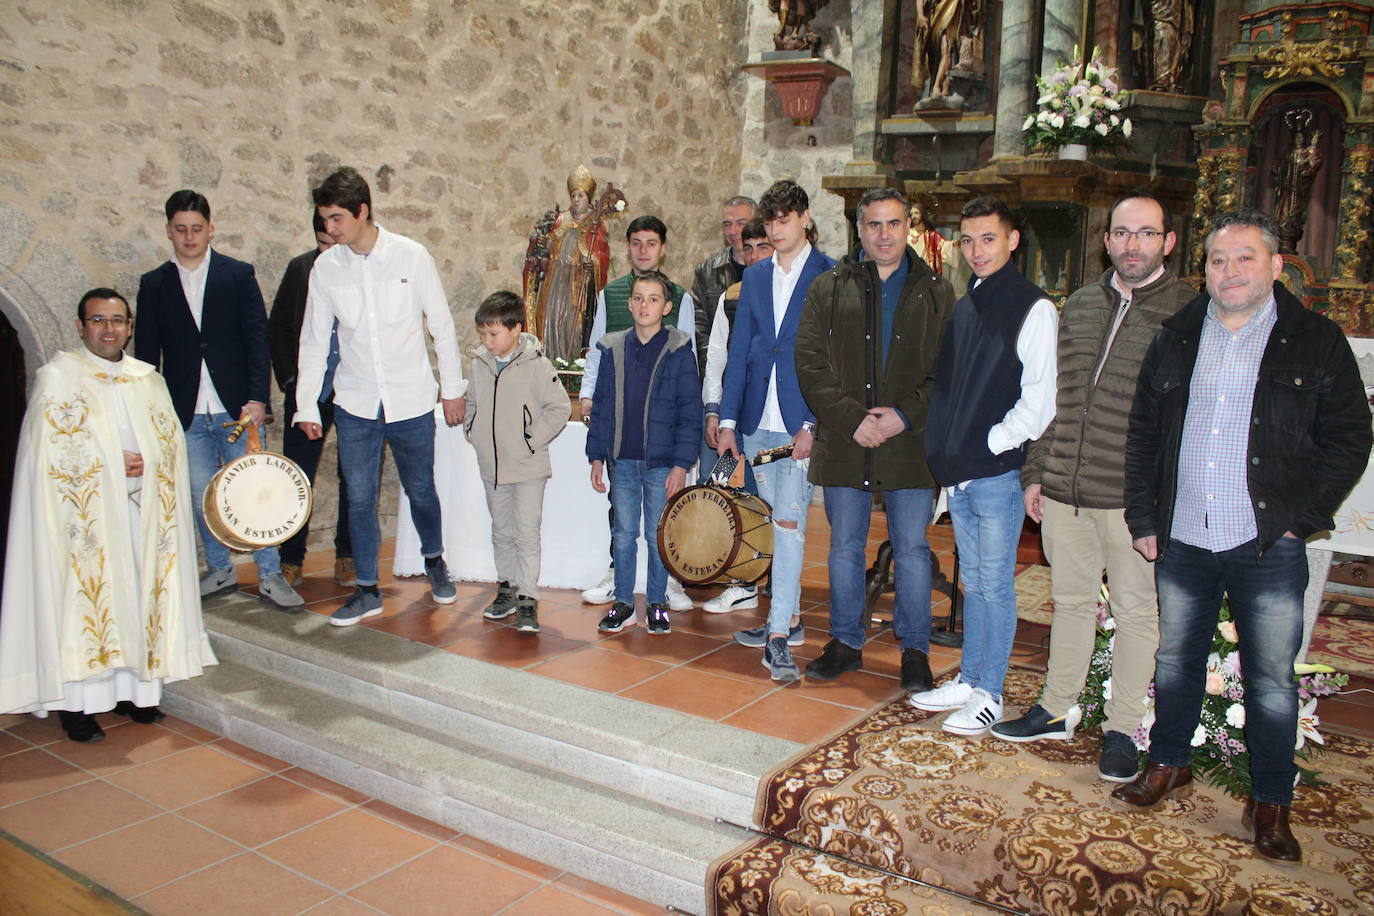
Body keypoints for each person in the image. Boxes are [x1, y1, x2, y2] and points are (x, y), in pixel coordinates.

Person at [1115, 209, 1370, 864]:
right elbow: (1143, 434)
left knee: (1271, 680)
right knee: (1175, 661)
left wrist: (1299, 518)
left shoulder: (1314, 339)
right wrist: (1145, 520)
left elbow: (1350, 437)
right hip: (1184, 536)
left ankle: (1270, 802)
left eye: (1244, 259)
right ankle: (1169, 763)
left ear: (1276, 266)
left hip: (1265, 541)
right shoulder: (1176, 334)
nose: (1228, 273)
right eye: (1218, 262)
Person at [991, 190, 1195, 782]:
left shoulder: (1185, 313)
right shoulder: (1079, 304)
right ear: (1107, 240)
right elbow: (1056, 398)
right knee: (1072, 604)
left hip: (1134, 502)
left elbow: (1185, 418)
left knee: (1136, 614)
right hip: (1065, 491)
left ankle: (1122, 728)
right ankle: (1056, 708)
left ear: (1168, 242)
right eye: (1123, 233)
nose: (1133, 245)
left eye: (1146, 234)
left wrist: (1160, 501)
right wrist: (1038, 472)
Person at [0, 289, 215, 741]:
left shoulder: (146, 379)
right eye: (98, 320)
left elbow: (170, 444)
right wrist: (109, 461)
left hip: (141, 514)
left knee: (137, 595)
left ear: (130, 326)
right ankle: (78, 707)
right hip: (84, 527)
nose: (109, 329)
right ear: (81, 327)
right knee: (90, 602)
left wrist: (148, 461)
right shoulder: (57, 377)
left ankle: (132, 693)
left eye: (117, 320)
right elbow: (47, 455)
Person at [795, 187, 955, 689]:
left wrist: (903, 416)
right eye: (874, 225)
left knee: (910, 550)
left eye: (893, 224)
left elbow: (948, 371)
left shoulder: (936, 291)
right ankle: (844, 641)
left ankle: (914, 649)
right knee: (843, 546)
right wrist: (851, 418)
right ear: (859, 229)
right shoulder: (828, 287)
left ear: (908, 227)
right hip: (847, 440)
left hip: (910, 443)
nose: (884, 235)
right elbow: (809, 362)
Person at [911, 195, 1057, 734]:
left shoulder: (1033, 307)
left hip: (994, 471)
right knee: (973, 581)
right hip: (963, 470)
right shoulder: (967, 301)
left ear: (1013, 239)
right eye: (967, 240)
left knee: (995, 584)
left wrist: (991, 441)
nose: (976, 250)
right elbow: (951, 386)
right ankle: (971, 678)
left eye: (988, 238)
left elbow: (1041, 400)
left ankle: (991, 691)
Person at [294, 167, 465, 626]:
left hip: (410, 399)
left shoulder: (411, 256)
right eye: (325, 220)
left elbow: (441, 326)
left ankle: (434, 560)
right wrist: (306, 405)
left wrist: (452, 390)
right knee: (359, 496)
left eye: (335, 219)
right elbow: (313, 341)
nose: (329, 229)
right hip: (355, 402)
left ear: (362, 211)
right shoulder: (325, 269)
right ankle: (367, 590)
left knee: (421, 489)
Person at [134, 190, 304, 612]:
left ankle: (269, 574)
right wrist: (152, 413)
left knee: (256, 491)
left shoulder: (237, 274)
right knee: (201, 496)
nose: (189, 237)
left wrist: (257, 398)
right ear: (168, 230)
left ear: (211, 228)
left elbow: (256, 338)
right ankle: (220, 569)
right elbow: (145, 356)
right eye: (180, 229)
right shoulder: (153, 284)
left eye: (196, 228)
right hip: (184, 411)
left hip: (237, 409)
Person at [717, 179, 836, 682]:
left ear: (805, 218)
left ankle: (779, 639)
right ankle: (785, 615)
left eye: (785, 220)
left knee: (788, 526)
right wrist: (726, 422)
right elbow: (740, 349)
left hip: (798, 424)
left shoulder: (830, 275)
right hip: (756, 423)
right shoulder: (757, 275)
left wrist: (813, 422)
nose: (777, 229)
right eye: (769, 222)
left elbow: (833, 359)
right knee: (775, 523)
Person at [578, 215, 696, 612]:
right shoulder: (609, 294)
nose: (643, 249)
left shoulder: (681, 297)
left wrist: (683, 457)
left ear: (663, 248)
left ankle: (666, 587)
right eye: (636, 242)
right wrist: (588, 397)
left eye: (651, 243)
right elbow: (597, 350)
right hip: (622, 435)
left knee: (661, 524)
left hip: (663, 441)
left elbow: (686, 373)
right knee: (623, 522)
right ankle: (620, 582)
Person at [464, 291, 571, 633]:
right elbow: (471, 402)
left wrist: (530, 439)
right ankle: (506, 588)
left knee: (526, 534)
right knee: (501, 532)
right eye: (483, 334)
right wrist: (473, 430)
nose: (487, 341)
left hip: (527, 468)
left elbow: (560, 408)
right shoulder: (479, 364)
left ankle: (528, 598)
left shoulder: (536, 364)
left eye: (493, 334)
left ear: (515, 329)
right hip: (492, 467)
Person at [267, 211, 353, 588]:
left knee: (354, 477)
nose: (329, 250)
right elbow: (280, 328)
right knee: (297, 478)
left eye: (335, 242)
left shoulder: (360, 271)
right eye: (322, 243)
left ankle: (348, 557)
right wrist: (291, 381)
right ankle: (291, 558)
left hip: (352, 392)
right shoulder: (300, 269)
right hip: (308, 393)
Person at [700, 219, 773, 615]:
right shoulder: (731, 295)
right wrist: (714, 410)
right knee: (727, 492)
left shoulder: (789, 294)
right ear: (741, 254)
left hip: (773, 423)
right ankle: (741, 578)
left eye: (765, 247)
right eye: (751, 248)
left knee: (771, 501)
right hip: (733, 423)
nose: (757, 255)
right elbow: (716, 358)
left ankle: (768, 579)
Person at [523, 164, 613, 362]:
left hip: (578, 283)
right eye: (574, 195)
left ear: (588, 197)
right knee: (550, 320)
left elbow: (602, 255)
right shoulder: (559, 219)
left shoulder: (595, 223)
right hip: (554, 281)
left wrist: (594, 264)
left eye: (580, 195)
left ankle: (571, 362)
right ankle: (550, 361)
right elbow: (543, 246)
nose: (576, 199)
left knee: (573, 324)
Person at [692, 196, 757, 378]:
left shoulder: (771, 268)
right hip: (720, 371)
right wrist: (717, 368)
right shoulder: (706, 271)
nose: (733, 231)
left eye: (741, 223)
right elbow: (699, 327)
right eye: (727, 224)